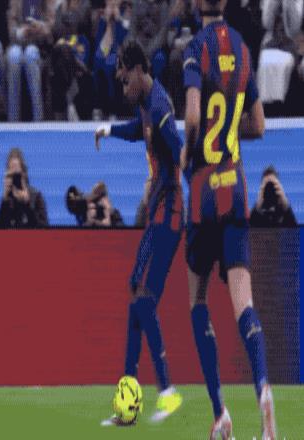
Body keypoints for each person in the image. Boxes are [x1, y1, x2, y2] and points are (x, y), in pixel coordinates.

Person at [182, 0, 276, 438]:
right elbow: (258, 124)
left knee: (198, 300)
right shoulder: (241, 47)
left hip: (204, 188)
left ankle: (220, 413)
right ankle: (263, 389)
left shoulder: (195, 48)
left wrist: (190, 150)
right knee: (245, 303)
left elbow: (193, 116)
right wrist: (230, 129)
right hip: (235, 185)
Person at [96, 39, 183, 425]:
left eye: (123, 79)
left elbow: (180, 152)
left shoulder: (161, 108)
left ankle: (167, 391)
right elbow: (137, 130)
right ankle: (128, 403)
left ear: (137, 70)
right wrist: (109, 129)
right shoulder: (147, 105)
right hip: (158, 212)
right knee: (136, 293)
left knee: (144, 299)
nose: (122, 86)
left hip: (171, 213)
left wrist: (179, 190)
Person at [0, 147, 48, 227]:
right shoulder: (7, 200)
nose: (14, 179)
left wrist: (27, 203)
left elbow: (43, 229)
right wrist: (4, 201)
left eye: (17, 175)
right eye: (11, 175)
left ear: (24, 173)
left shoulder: (36, 196)